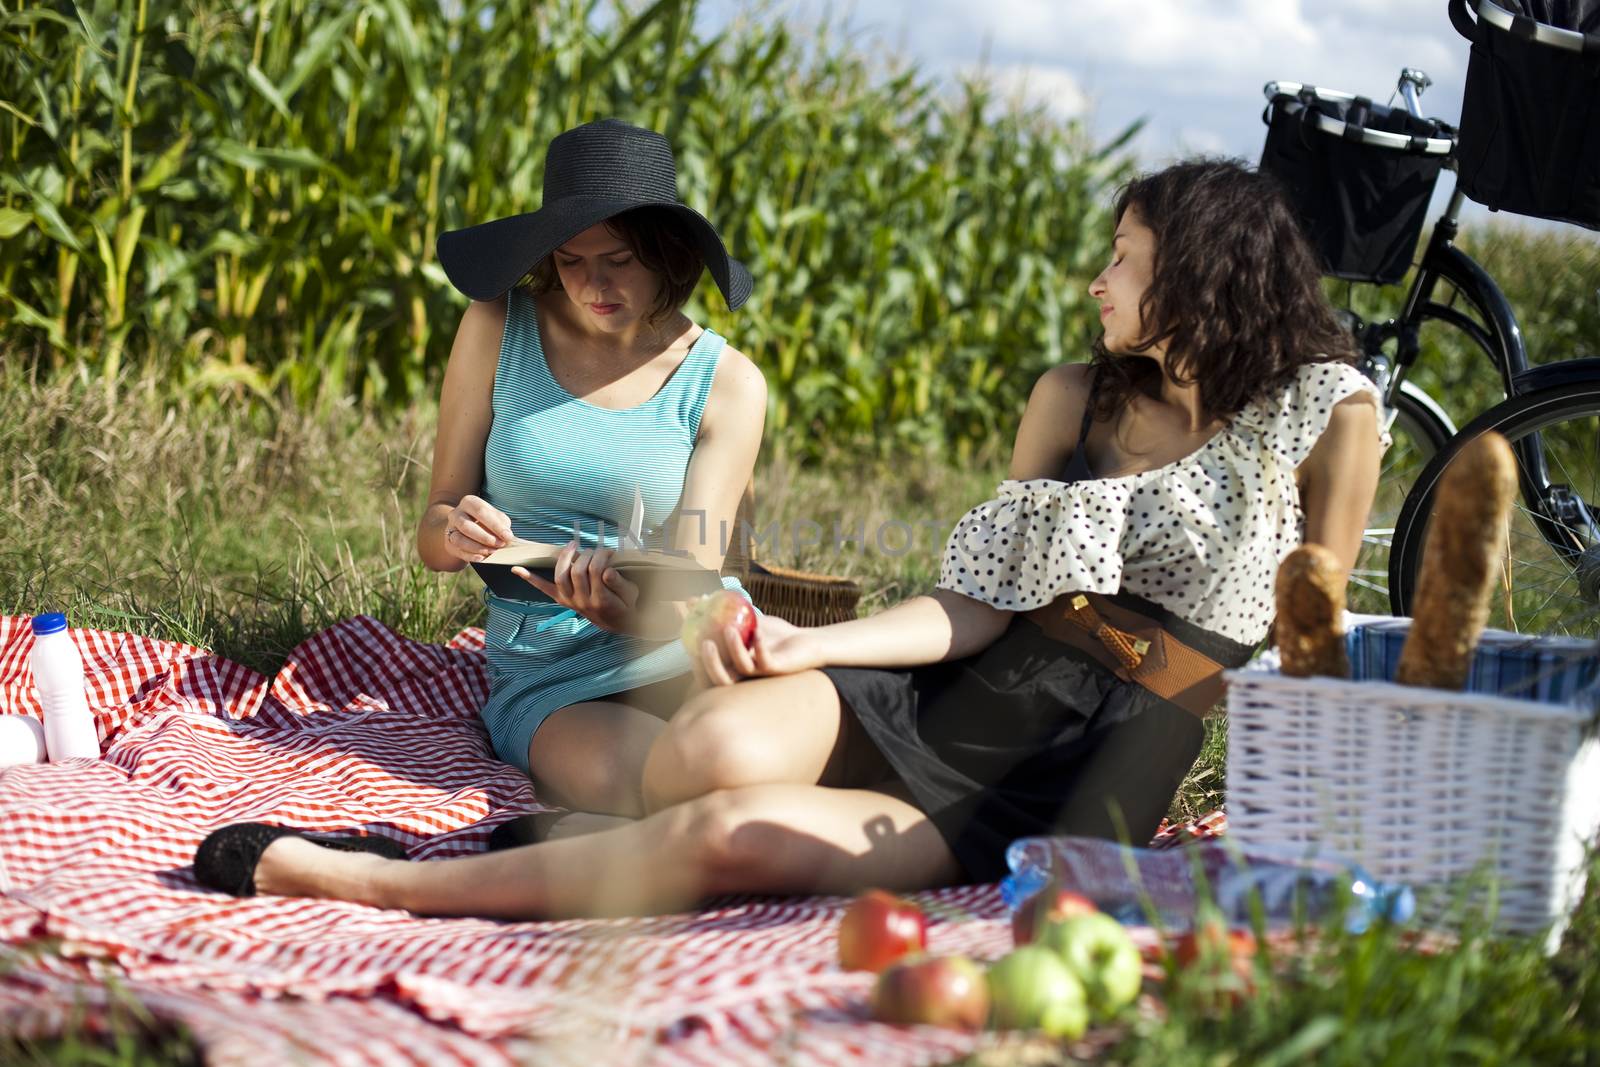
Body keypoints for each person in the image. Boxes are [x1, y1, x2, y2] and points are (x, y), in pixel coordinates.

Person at [192, 159, 1385, 918]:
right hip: (947, 686)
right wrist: (802, 647)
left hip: (1060, 777)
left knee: (717, 830)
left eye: (1122, 257)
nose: (1095, 280)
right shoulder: (1068, 399)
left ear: (1201, 273)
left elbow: (1311, 649)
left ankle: (383, 874)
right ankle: (547, 837)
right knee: (709, 743)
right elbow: (975, 605)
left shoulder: (1327, 416)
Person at [410, 118, 765, 838]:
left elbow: (695, 576)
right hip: (551, 673)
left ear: (670, 257)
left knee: (759, 770)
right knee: (655, 785)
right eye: (570, 261)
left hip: (686, 645)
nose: (592, 285)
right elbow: (432, 529)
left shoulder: (726, 382)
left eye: (619, 260)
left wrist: (627, 612)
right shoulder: (495, 326)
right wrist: (454, 529)